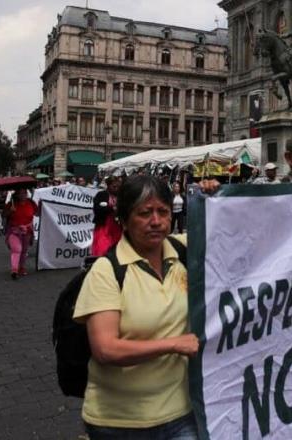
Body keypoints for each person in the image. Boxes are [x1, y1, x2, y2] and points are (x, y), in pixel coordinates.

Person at [73, 175, 199, 439]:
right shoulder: (106, 272)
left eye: (163, 212)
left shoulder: (183, 250)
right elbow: (105, 349)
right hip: (120, 423)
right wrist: (174, 344)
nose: (156, 221)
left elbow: (241, 229)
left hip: (181, 414)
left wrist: (218, 194)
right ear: (125, 220)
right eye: (144, 213)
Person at [4, 189, 38, 279]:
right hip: (14, 230)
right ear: (17, 195)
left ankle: (21, 267)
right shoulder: (11, 203)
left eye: (25, 193)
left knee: (24, 250)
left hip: (27, 231)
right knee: (17, 249)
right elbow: (4, 214)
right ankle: (14, 270)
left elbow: (37, 213)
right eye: (21, 193)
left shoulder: (31, 203)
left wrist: (42, 205)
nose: (24, 195)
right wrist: (10, 211)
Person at [91, 176, 123, 257]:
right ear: (108, 186)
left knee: (117, 247)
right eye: (114, 186)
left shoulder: (121, 196)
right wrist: (111, 208)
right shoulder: (101, 195)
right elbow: (97, 209)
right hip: (104, 225)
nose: (116, 188)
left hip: (117, 226)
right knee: (103, 247)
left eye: (118, 187)